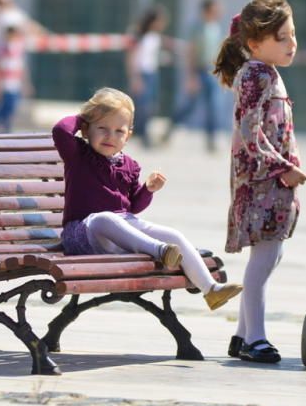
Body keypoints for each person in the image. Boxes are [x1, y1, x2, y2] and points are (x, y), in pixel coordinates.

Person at [53, 87, 243, 310]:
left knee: (173, 234)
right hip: (82, 235)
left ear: (128, 136)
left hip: (119, 234)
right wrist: (84, 117)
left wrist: (148, 190)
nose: (109, 136)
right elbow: (60, 130)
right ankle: (161, 251)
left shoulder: (129, 166)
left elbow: (133, 206)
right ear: (86, 130)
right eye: (102, 128)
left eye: (118, 131)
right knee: (104, 219)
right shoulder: (79, 155)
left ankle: (211, 289)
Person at [213, 0, 306, 364]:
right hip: (262, 184)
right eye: (281, 38)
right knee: (263, 259)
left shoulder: (264, 72)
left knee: (272, 255)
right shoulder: (256, 74)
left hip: (273, 183)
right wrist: (283, 168)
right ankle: (256, 338)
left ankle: (242, 336)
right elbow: (250, 133)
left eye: (293, 34)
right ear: (255, 43)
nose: (291, 44)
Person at [162, 0, 224, 151]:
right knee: (190, 105)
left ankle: (211, 142)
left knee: (213, 106)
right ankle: (170, 129)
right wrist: (191, 76)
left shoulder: (216, 27)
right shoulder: (196, 28)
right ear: (207, 9)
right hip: (199, 70)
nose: (219, 10)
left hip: (212, 71)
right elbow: (191, 53)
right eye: (216, 7)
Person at [126, 6, 169, 147]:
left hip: (152, 74)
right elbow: (132, 57)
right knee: (142, 106)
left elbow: (151, 56)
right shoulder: (138, 35)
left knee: (151, 106)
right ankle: (143, 135)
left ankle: (141, 132)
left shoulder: (155, 37)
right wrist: (135, 77)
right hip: (141, 73)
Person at [0, 24, 32, 133]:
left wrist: (26, 84)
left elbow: (22, 68)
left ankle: (5, 132)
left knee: (10, 110)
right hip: (3, 85)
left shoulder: (18, 49)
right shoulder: (1, 48)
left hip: (14, 85)